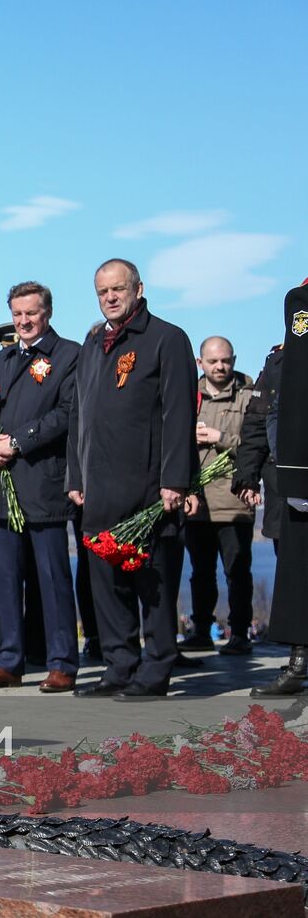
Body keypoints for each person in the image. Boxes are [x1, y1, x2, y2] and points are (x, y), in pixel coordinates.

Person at [67, 259, 197, 698]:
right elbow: (78, 417)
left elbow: (179, 414)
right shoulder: (92, 345)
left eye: (118, 289)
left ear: (139, 289)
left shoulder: (166, 339)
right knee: (107, 585)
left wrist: (176, 480)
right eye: (102, 291)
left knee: (153, 584)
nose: (110, 297)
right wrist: (75, 474)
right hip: (98, 487)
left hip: (149, 488)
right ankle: (119, 665)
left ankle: (156, 669)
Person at [0, 282, 81, 692]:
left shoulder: (68, 355)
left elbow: (67, 413)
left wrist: (18, 441)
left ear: (46, 313)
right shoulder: (1, 360)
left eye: (30, 313)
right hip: (0, 486)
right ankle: (8, 660)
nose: (24, 321)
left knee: (52, 579)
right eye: (17, 314)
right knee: (4, 579)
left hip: (42, 484)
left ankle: (63, 662)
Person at [180, 336, 255, 656]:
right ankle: (201, 630)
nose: (220, 366)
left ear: (234, 360)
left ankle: (240, 632)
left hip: (234, 503)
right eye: (213, 362)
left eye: (225, 360)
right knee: (200, 573)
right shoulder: (186, 395)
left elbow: (256, 446)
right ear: (201, 363)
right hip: (198, 502)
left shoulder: (250, 396)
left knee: (237, 571)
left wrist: (219, 437)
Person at [251, 282, 308, 695]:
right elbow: (298, 386)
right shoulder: (303, 301)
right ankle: (301, 661)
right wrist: (298, 471)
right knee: (299, 563)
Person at [234, 343, 284, 554]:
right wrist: (247, 478)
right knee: (291, 576)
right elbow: (256, 424)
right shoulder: (278, 363)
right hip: (284, 492)